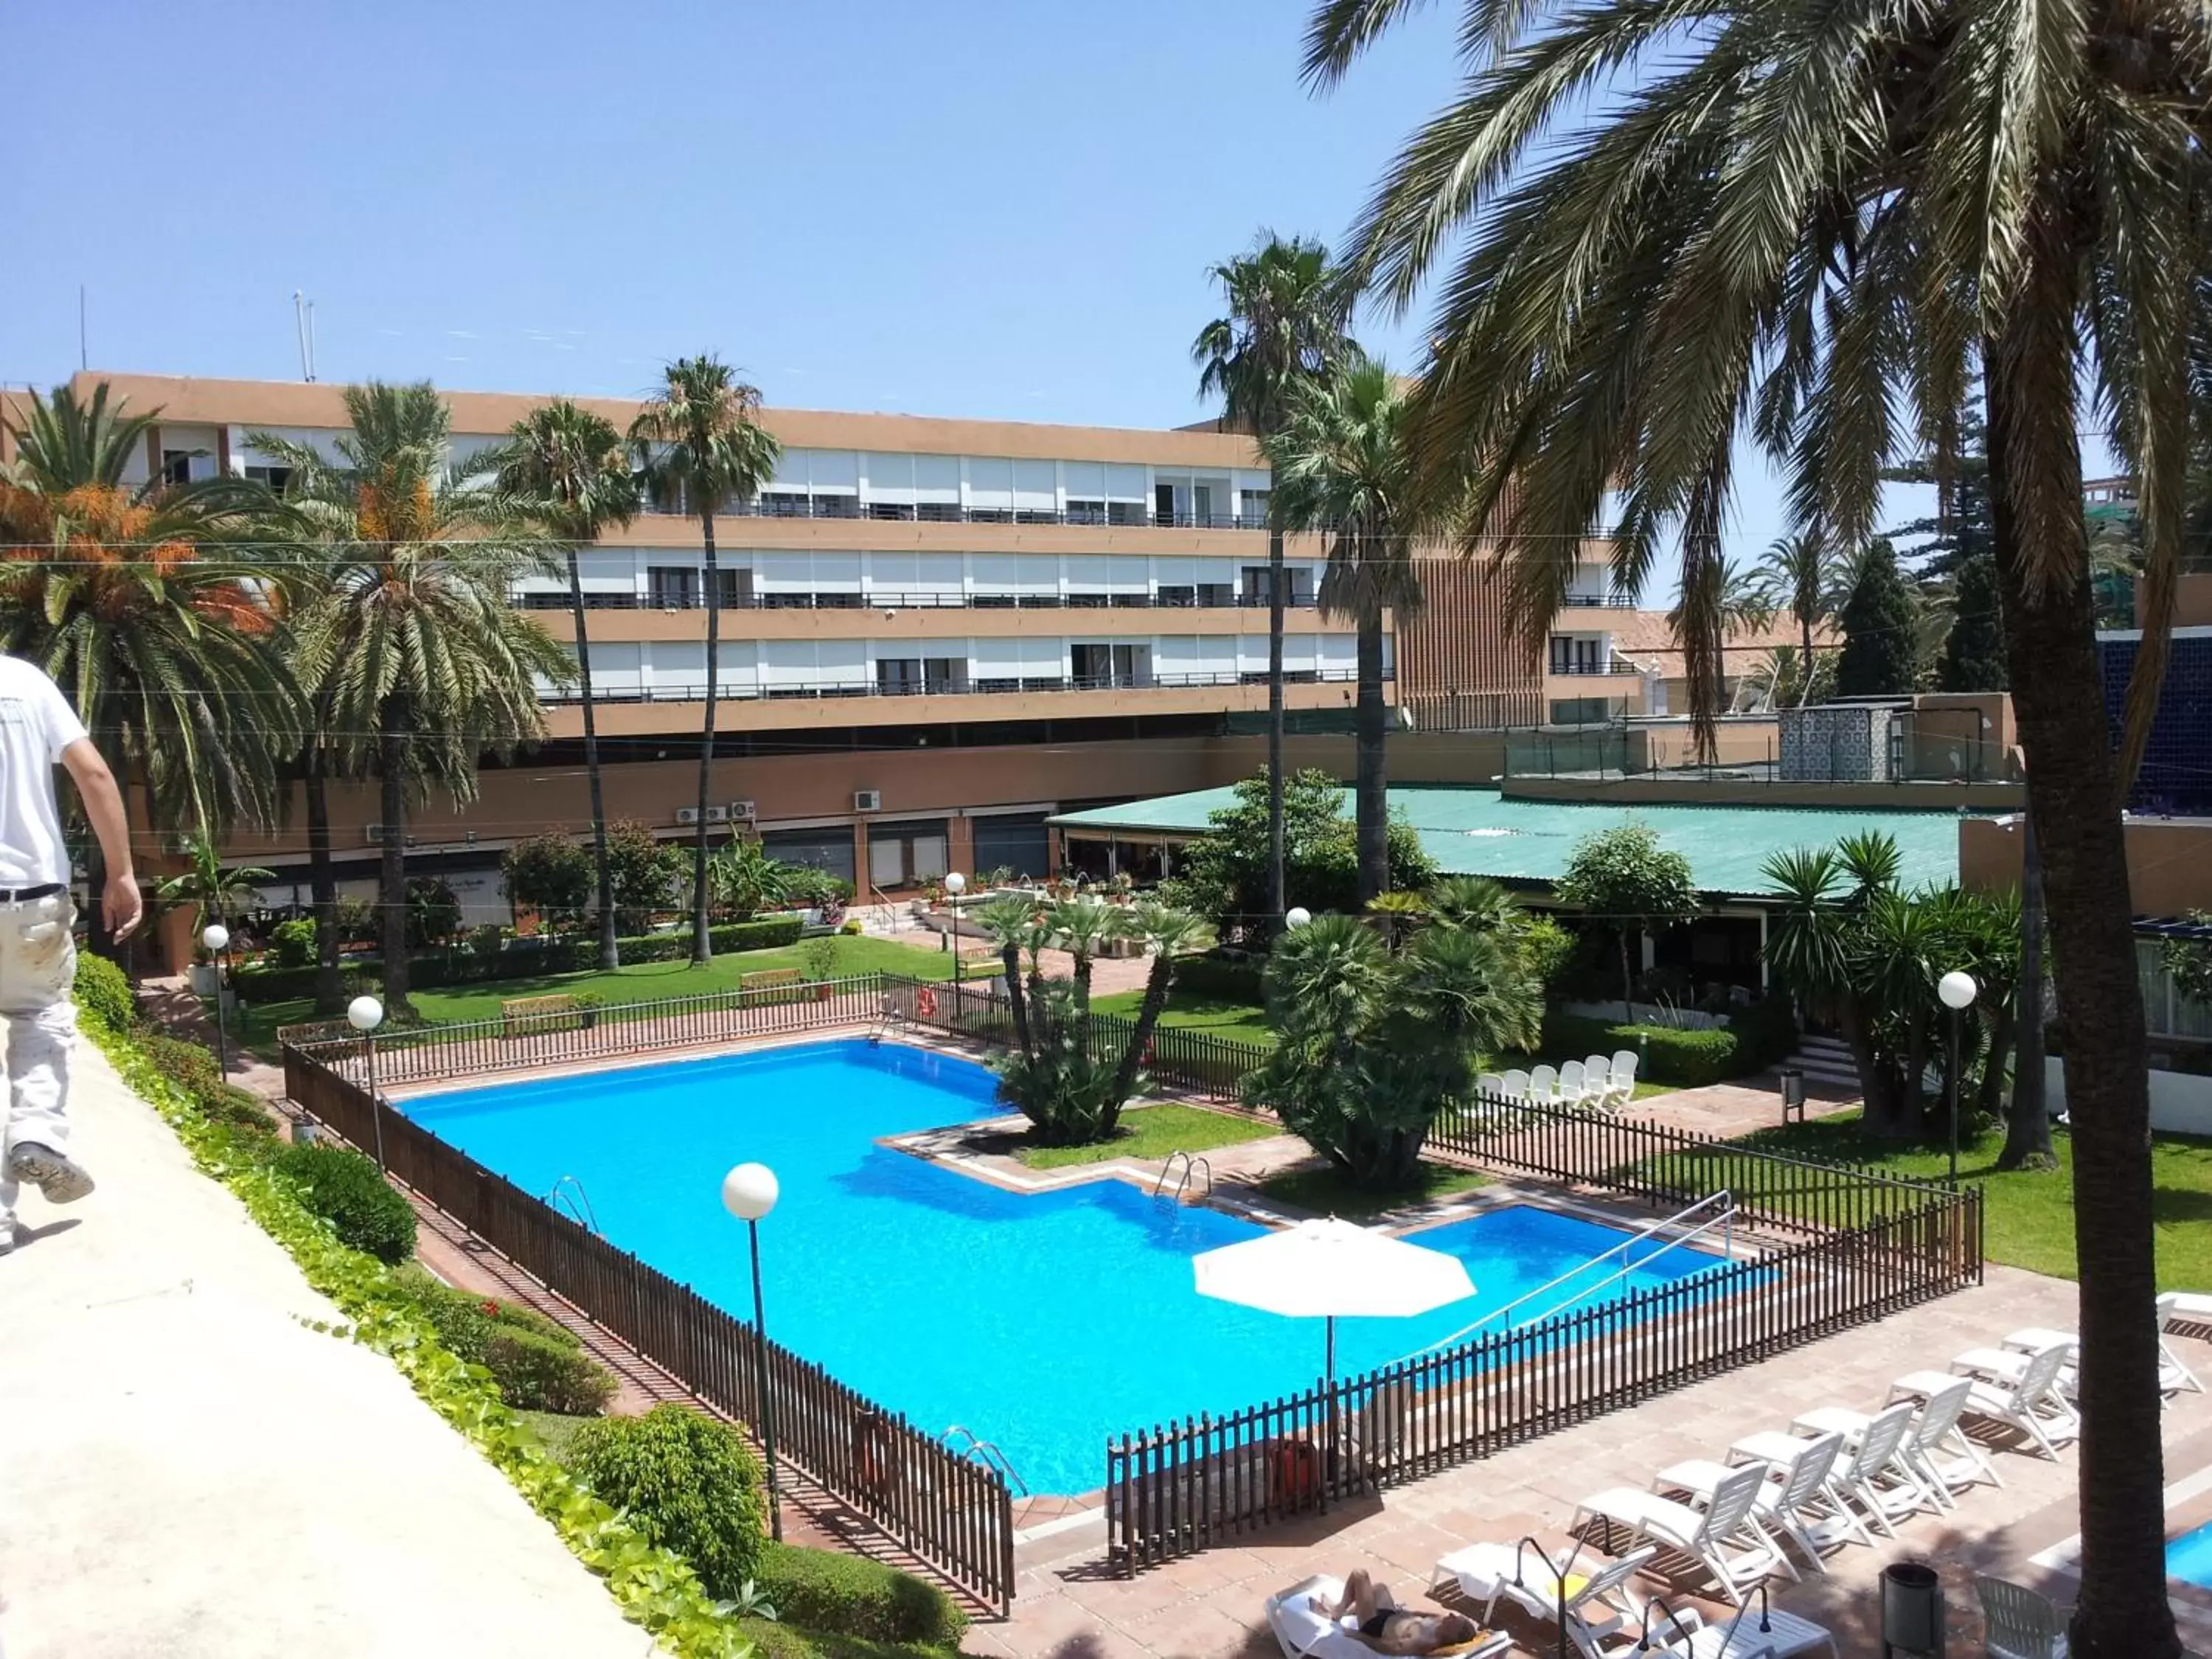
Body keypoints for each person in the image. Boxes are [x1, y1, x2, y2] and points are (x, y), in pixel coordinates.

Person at [0, 654, 140, 1254]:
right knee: (42, 1017)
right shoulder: (24, 681)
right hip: (30, 901)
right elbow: (96, 775)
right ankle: (34, 1132)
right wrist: (123, 874)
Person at [1312, 1571, 1482, 1655]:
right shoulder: (1441, 1621)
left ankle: (1337, 1611)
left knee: (1360, 1575)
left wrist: (1360, 1636)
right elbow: (1421, 1614)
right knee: (1380, 1589)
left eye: (1455, 1620)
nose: (1451, 1615)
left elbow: (1391, 1648)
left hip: (1374, 1625)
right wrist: (1403, 1612)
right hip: (1391, 1615)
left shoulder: (1426, 1642)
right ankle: (1347, 1611)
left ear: (1452, 1637)